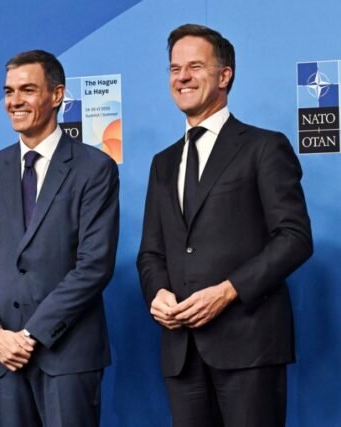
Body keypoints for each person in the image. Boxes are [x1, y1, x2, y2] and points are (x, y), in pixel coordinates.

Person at [137, 24, 313, 426]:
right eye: (175, 69)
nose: (182, 77)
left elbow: (294, 238)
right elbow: (151, 252)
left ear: (224, 75)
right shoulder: (162, 163)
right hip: (181, 352)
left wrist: (229, 290)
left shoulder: (263, 146)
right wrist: (157, 293)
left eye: (195, 67)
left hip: (249, 346)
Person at [0, 50, 119, 427]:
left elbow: (94, 266)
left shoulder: (94, 168)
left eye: (27, 90)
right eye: (9, 91)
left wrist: (31, 334)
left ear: (57, 95)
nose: (14, 101)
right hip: (1, 359)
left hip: (67, 356)